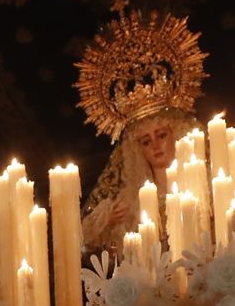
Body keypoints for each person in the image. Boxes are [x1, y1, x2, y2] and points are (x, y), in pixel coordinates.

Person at [80, 107, 196, 258]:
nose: (155, 146)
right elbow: (86, 243)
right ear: (137, 149)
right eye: (146, 142)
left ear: (176, 135)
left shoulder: (196, 185)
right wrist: (107, 221)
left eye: (161, 136)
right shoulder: (129, 200)